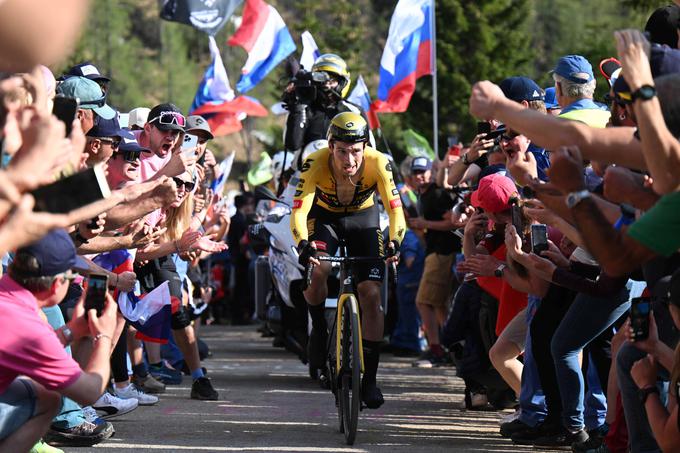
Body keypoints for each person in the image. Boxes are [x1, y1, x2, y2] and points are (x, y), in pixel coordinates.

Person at [291, 112, 405, 409]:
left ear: (365, 146)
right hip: (325, 219)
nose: (350, 159)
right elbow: (299, 212)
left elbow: (395, 211)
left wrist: (395, 241)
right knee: (320, 269)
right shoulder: (314, 163)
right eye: (342, 151)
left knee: (371, 294)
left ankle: (370, 380)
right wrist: (303, 243)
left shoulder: (378, 163)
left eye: (356, 150)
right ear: (330, 146)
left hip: (362, 220)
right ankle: (318, 327)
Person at [0, 230, 117, 452]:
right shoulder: (29, 326)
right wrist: (105, 336)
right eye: (72, 274)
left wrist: (71, 331)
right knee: (48, 398)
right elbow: (89, 391)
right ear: (57, 284)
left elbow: (24, 349)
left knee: (45, 396)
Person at [408, 157, 460, 367]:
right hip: (435, 252)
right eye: (416, 172)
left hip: (442, 253)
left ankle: (436, 349)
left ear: (432, 172)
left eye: (424, 171)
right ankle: (449, 348)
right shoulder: (423, 195)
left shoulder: (437, 194)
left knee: (423, 302)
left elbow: (452, 222)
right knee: (438, 305)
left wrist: (424, 223)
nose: (420, 175)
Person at [283, 53, 374, 169]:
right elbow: (292, 144)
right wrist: (297, 107)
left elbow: (370, 150)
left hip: (345, 176)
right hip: (304, 176)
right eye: (323, 80)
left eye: (332, 80)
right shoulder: (304, 108)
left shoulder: (354, 111)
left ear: (342, 83)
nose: (327, 85)